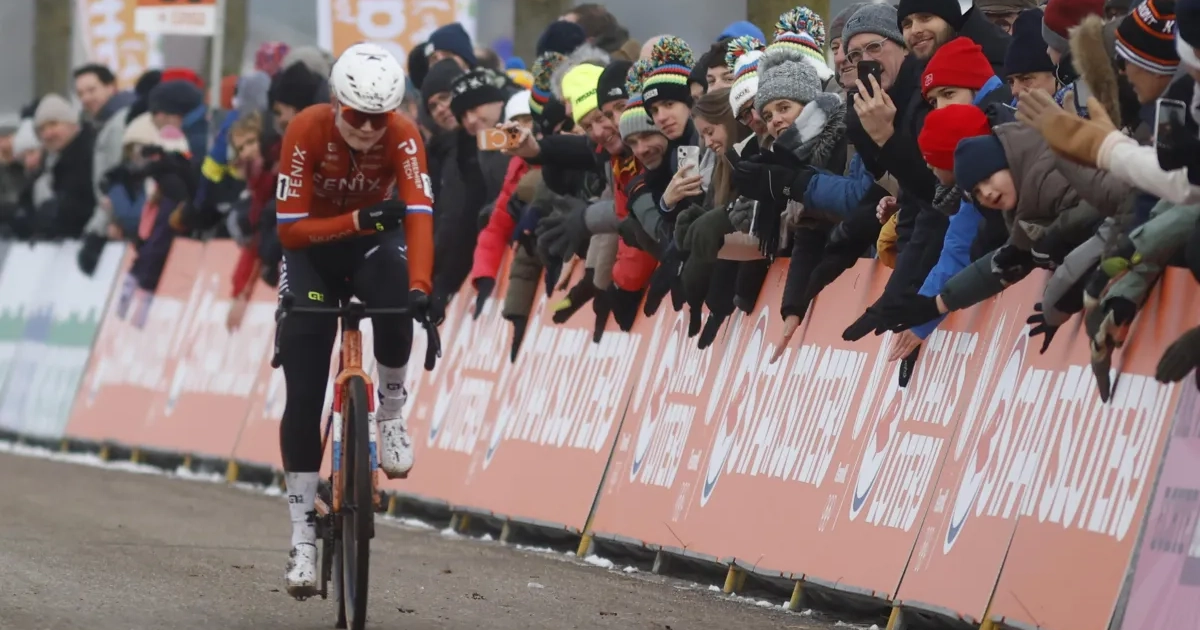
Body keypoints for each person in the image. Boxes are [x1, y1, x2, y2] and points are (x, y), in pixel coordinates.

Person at [273, 42, 438, 599]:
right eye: (357, 116)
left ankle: (390, 411)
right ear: (335, 102)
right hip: (312, 253)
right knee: (303, 388)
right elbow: (290, 229)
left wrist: (422, 288)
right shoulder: (306, 128)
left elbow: (420, 213)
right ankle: (302, 535)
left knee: (397, 293)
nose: (368, 129)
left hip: (372, 247)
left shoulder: (404, 135)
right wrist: (358, 217)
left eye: (379, 118)